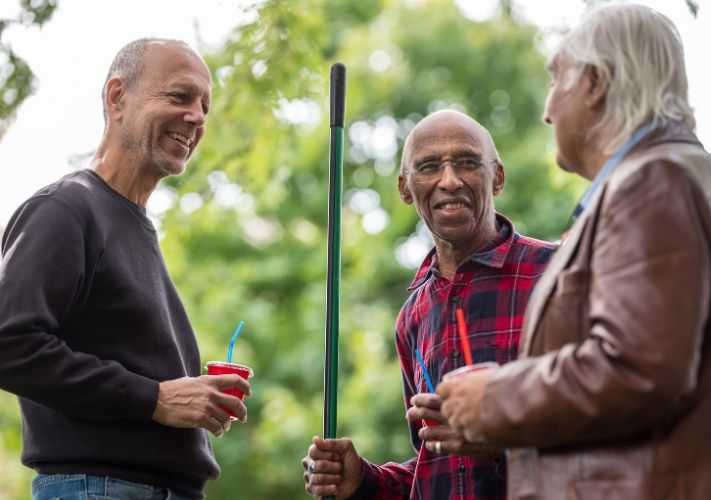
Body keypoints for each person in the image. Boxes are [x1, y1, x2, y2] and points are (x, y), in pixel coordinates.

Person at [436, 4, 711, 500]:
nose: (546, 110)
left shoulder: (652, 184)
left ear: (594, 83)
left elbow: (638, 369)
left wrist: (494, 399)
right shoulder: (697, 180)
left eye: (555, 79)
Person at [0, 38, 251, 500]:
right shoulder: (65, 209)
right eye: (179, 97)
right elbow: (9, 344)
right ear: (117, 98)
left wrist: (186, 398)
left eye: (204, 105)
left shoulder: (134, 226)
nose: (196, 117)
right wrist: (154, 399)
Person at [301, 110, 555, 499]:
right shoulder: (412, 315)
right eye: (429, 167)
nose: (450, 181)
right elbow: (436, 465)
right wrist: (364, 481)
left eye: (468, 163)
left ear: (498, 177)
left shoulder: (557, 273)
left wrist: (500, 438)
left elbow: (609, 419)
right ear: (405, 188)